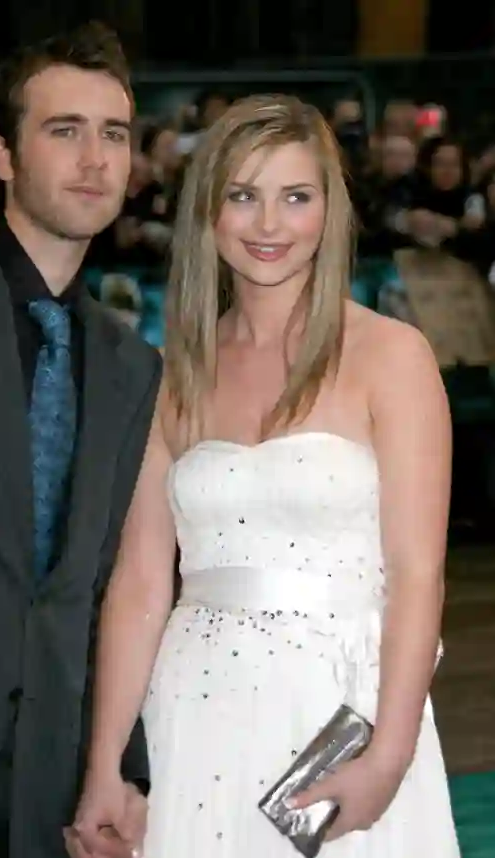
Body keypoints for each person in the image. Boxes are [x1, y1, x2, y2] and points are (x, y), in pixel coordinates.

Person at [69, 94, 460, 857]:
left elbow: (420, 574)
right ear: (208, 212)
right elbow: (143, 585)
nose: (269, 224)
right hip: (191, 709)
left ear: (329, 209)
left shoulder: (392, 356)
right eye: (243, 196)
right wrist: (106, 766)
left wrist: (389, 754)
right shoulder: (173, 373)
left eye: (295, 197)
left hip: (343, 712)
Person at [0, 21, 160, 858]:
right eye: (65, 131)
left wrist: (121, 774)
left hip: (51, 796)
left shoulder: (133, 367)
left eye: (115, 135)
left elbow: (106, 593)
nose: (96, 158)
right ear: (2, 156)